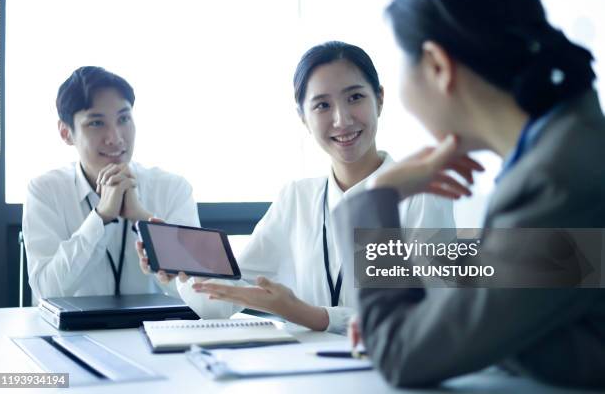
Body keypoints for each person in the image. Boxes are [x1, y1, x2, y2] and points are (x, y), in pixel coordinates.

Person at [339, 0, 605, 388]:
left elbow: (401, 351)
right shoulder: (568, 144)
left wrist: (377, 195)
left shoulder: (558, 178)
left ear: (436, 65)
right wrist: (424, 302)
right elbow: (521, 285)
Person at [160, 42, 456, 334]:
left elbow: (430, 315)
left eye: (355, 97)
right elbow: (222, 303)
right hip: (307, 374)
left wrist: (309, 315)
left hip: (389, 374)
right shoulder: (297, 198)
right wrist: (182, 273)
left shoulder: (423, 192)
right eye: (322, 105)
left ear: (379, 99)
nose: (342, 119)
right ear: (303, 117)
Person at [23, 66, 200, 300]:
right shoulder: (45, 191)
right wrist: (101, 217)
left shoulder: (172, 188)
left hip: (158, 332)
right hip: (73, 333)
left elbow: (198, 290)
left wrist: (143, 219)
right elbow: (47, 290)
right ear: (66, 133)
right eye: (96, 123)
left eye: (123, 119)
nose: (115, 137)